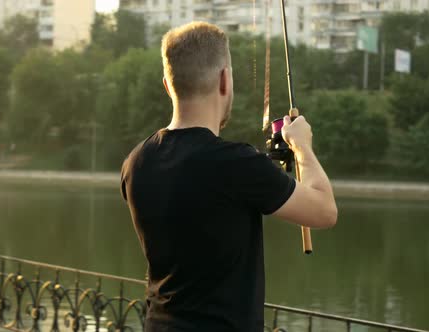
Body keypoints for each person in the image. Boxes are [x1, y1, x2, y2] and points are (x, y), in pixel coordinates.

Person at [120, 22, 337, 332]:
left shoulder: (136, 162)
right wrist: (302, 146)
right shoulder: (236, 164)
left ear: (167, 85)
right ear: (224, 80)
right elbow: (325, 211)